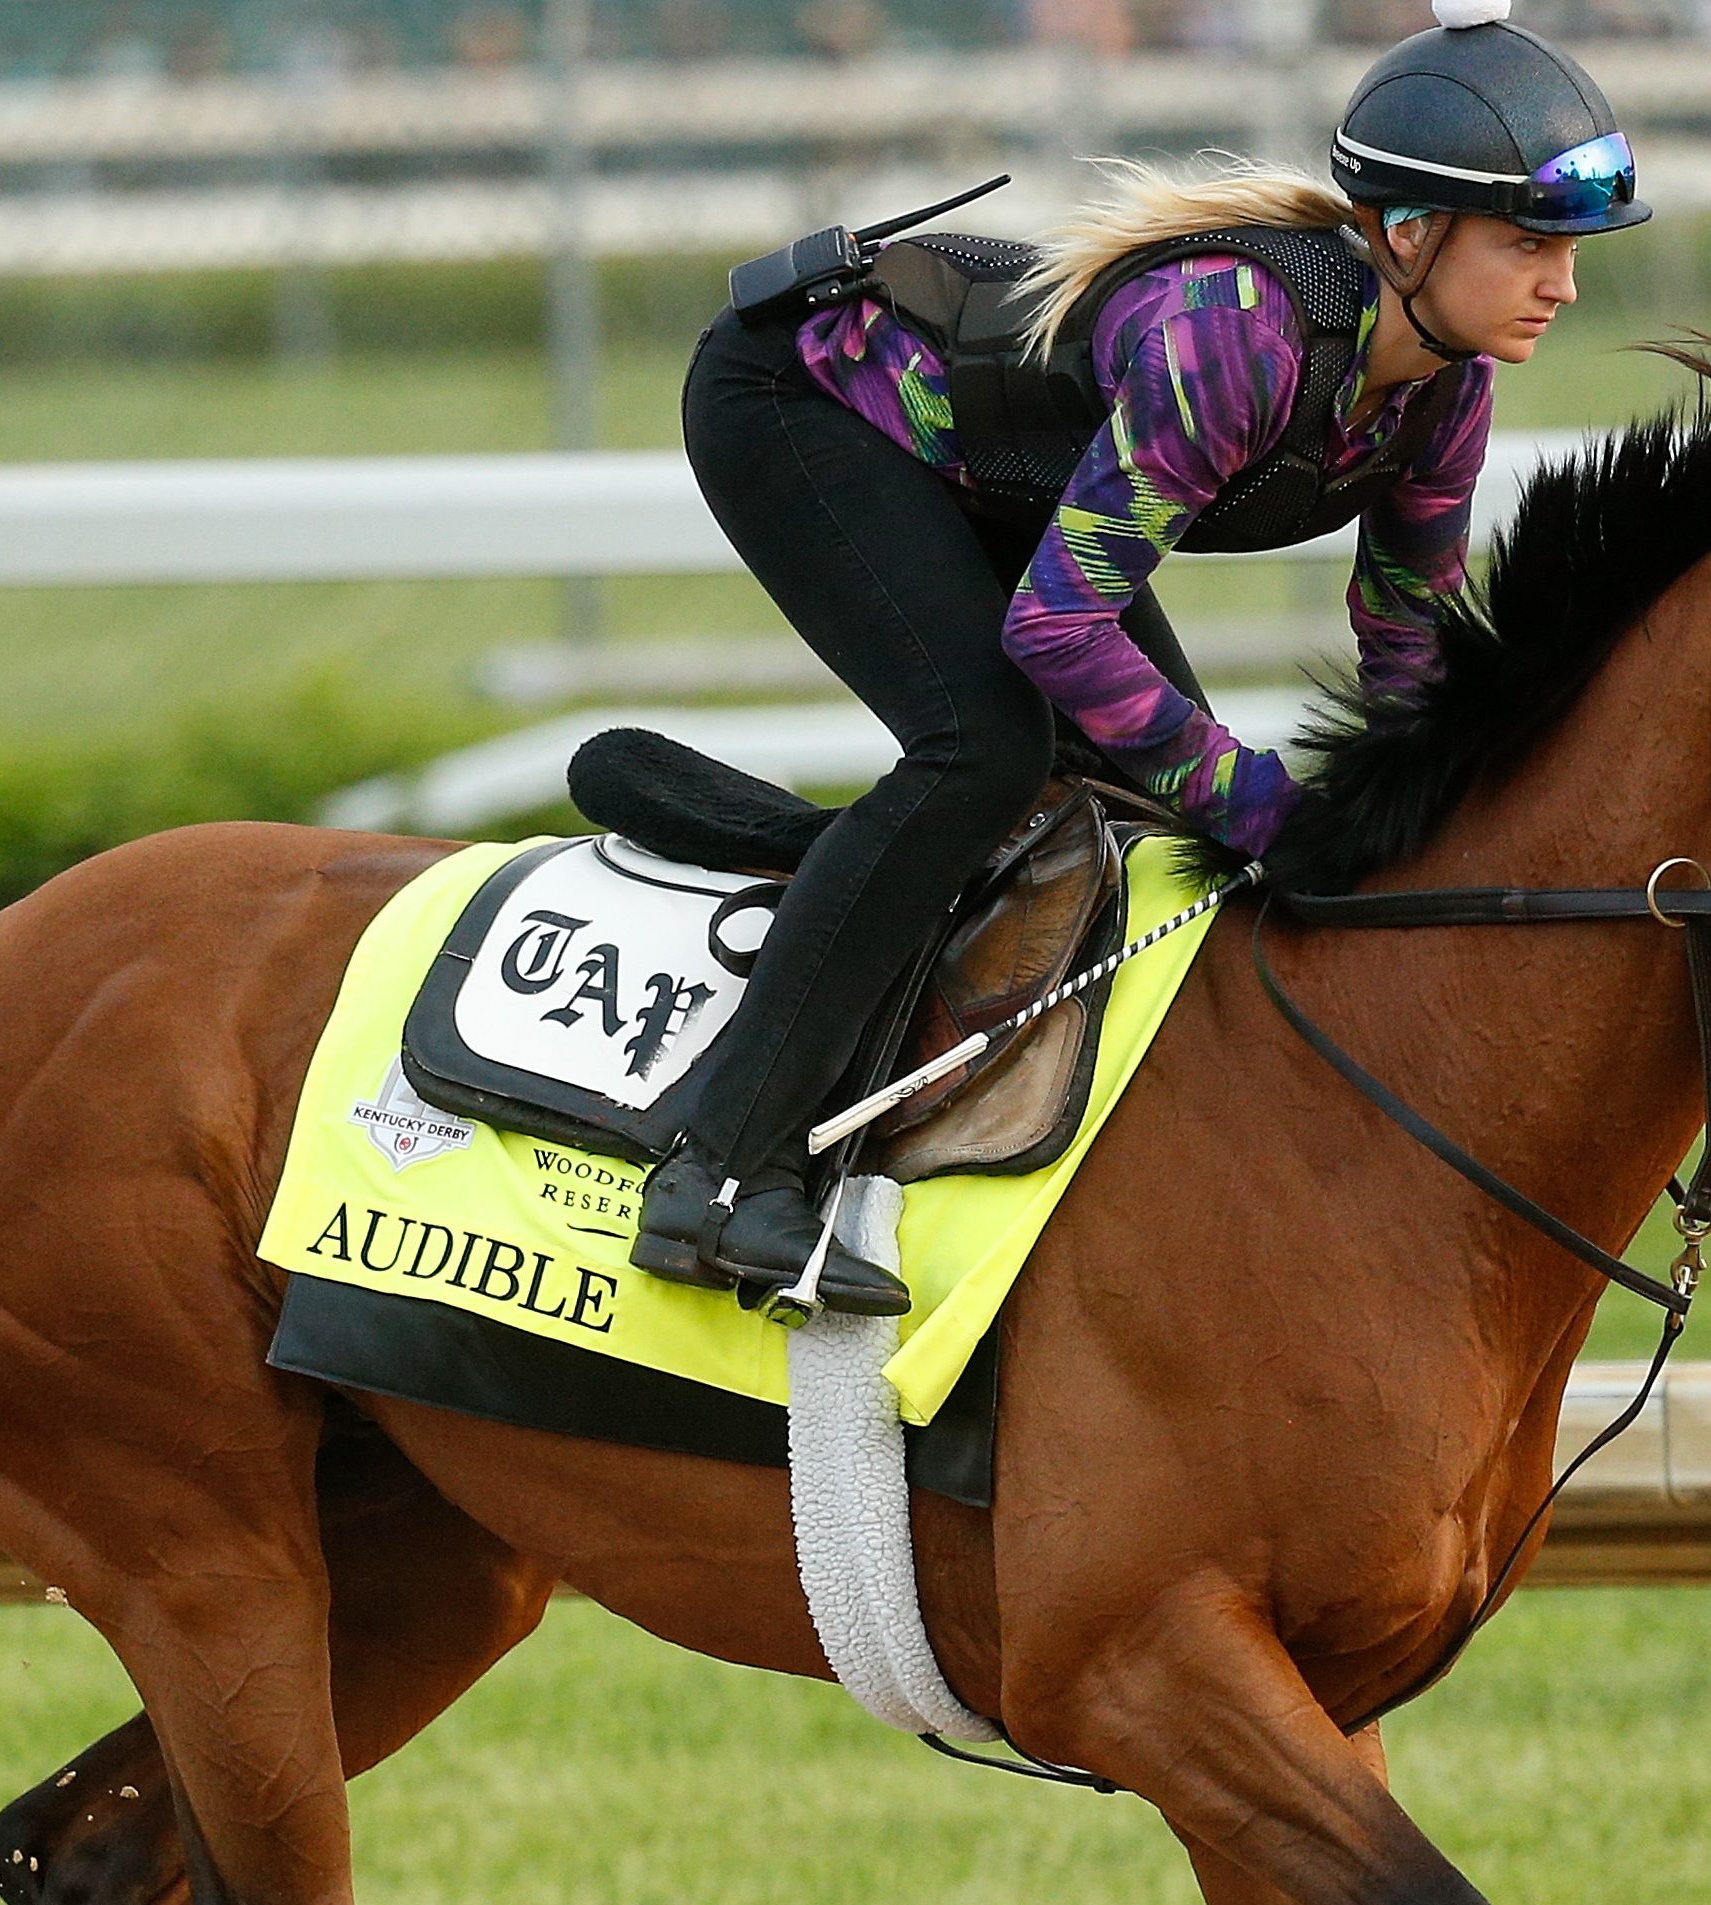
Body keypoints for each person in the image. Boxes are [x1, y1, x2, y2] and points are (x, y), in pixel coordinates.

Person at [634, 0, 1651, 1317]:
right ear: (1410, 233)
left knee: (1139, 772)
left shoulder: (1448, 383)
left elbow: (1406, 642)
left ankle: (987, 1132)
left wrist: (1428, 824)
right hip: (802, 401)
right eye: (1530, 245)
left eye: (1568, 250)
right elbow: (1055, 628)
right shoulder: (1236, 343)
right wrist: (1262, 802)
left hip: (995, 468)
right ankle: (720, 1168)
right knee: (989, 748)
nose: (1564, 285)